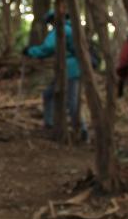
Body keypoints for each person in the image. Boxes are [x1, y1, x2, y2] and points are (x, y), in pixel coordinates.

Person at [22, 10, 86, 138]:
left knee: (71, 101)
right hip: (73, 68)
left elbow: (47, 48)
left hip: (69, 70)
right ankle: (50, 124)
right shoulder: (73, 29)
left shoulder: (61, 31)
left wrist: (30, 51)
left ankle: (81, 130)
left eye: (51, 21)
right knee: (50, 94)